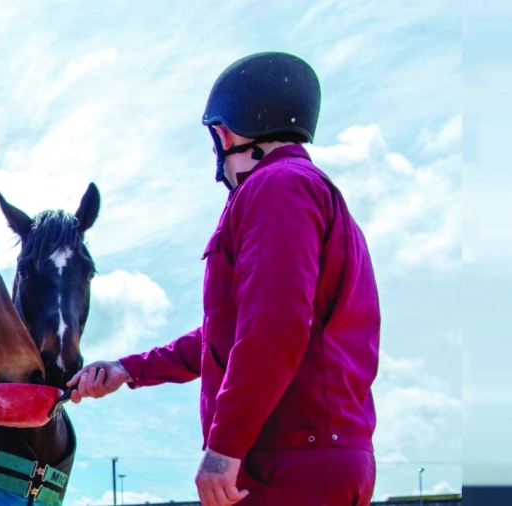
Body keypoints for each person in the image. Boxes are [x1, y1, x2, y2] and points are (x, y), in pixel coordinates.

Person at [67, 51, 380, 506]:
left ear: (225, 133)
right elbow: (229, 333)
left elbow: (273, 328)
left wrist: (225, 448)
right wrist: (128, 369)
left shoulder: (277, 187)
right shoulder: (316, 196)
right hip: (322, 455)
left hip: (285, 463)